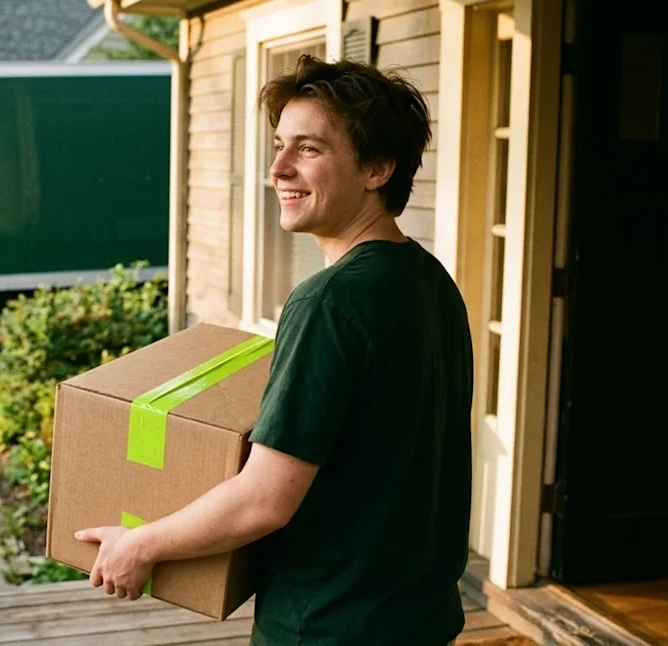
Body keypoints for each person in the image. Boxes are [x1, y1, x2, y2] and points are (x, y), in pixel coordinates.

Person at [74, 55, 474, 646]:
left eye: (308, 149)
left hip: (328, 626)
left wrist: (141, 543)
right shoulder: (429, 281)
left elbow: (264, 500)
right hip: (418, 619)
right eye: (279, 145)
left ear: (378, 169)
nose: (277, 168)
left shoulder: (330, 303)